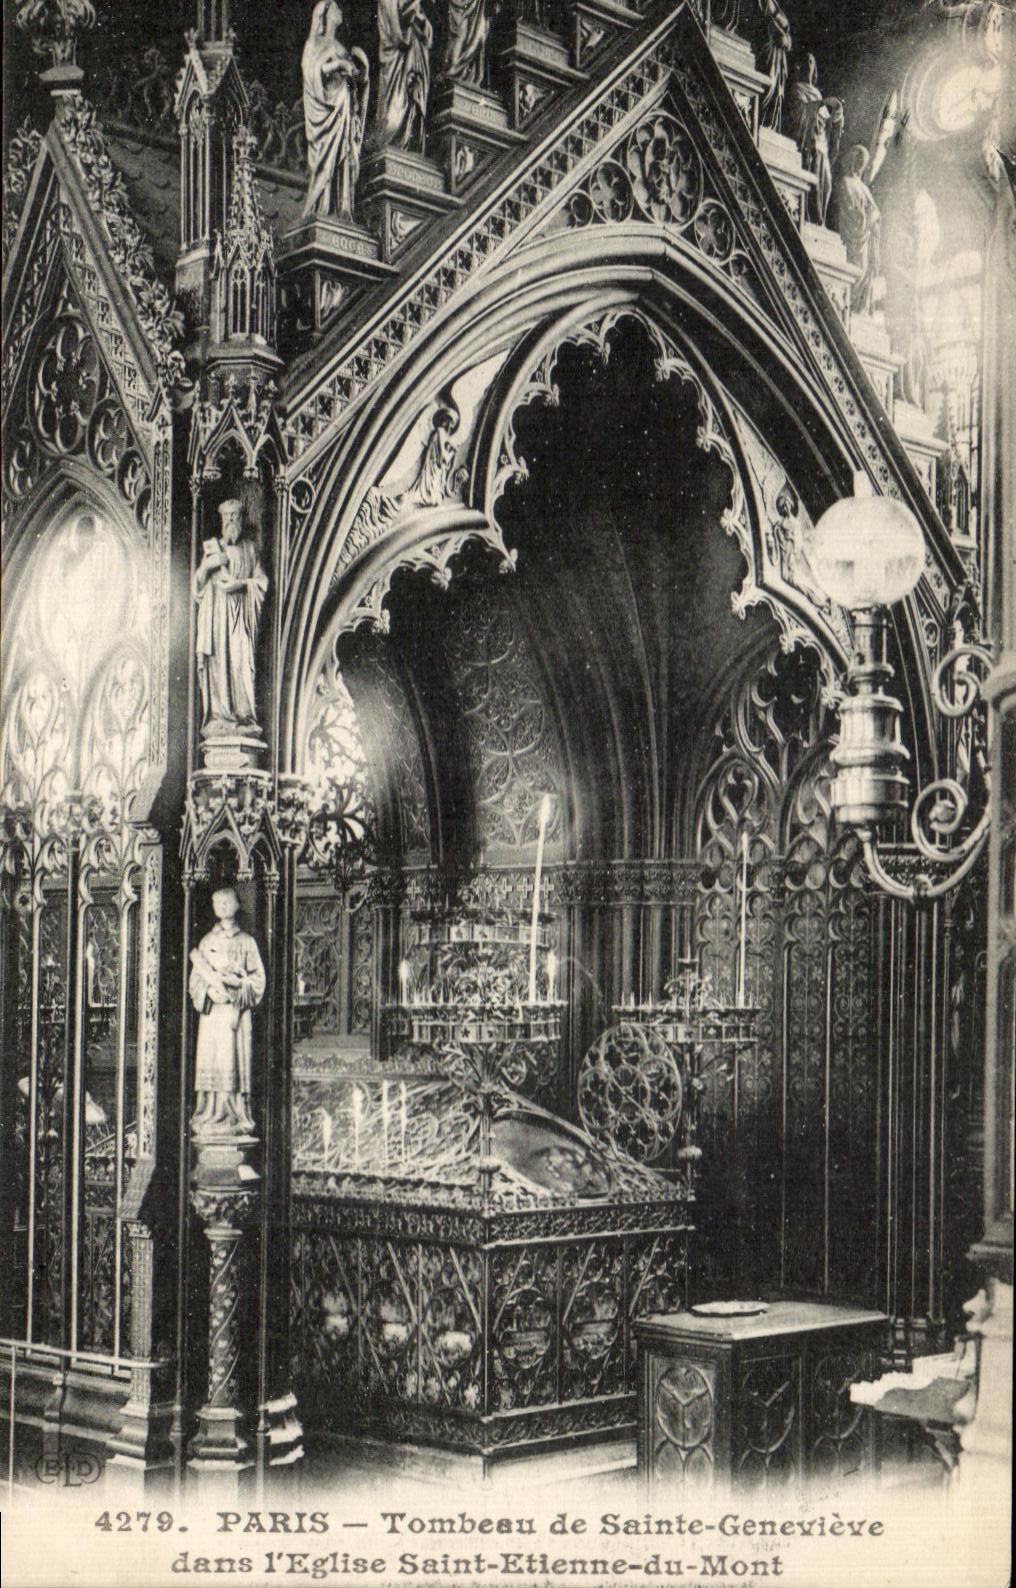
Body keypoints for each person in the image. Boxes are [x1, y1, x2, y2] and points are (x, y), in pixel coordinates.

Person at [190, 888, 266, 1134]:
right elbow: (194, 981)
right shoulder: (207, 941)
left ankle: (235, 1113)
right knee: (212, 1059)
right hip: (212, 1015)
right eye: (217, 901)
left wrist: (239, 986)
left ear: (236, 904)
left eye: (226, 901)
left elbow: (258, 980)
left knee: (232, 1059)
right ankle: (209, 1111)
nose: (221, 905)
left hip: (235, 1014)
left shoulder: (246, 942)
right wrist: (208, 991)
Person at [193, 499, 268, 735]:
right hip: (215, 620)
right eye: (227, 517)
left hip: (240, 619)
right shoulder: (213, 551)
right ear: (222, 520)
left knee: (240, 664)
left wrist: (240, 585)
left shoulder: (249, 549)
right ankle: (219, 716)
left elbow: (262, 583)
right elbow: (196, 588)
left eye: (235, 517)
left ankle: (244, 718)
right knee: (218, 666)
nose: (231, 522)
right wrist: (207, 567)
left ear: (242, 520)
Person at [301, 0, 371, 221]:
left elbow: (356, 77)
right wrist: (340, 66)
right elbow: (314, 72)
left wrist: (362, 72)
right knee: (326, 158)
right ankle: (321, 207)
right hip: (327, 109)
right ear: (326, 14)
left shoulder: (341, 47)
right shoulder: (315, 42)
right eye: (336, 8)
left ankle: (343, 207)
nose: (340, 11)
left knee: (345, 155)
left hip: (345, 106)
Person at [788, 54, 843, 225]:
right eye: (804, 61)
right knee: (815, 181)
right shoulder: (797, 88)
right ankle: (815, 218)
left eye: (811, 61)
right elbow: (799, 112)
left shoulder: (817, 93)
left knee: (826, 183)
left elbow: (824, 118)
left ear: (815, 67)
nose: (808, 65)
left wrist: (836, 114)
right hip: (808, 141)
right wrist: (821, 105)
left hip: (821, 141)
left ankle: (820, 217)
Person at [830, 145, 883, 314]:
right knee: (855, 271)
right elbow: (849, 213)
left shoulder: (862, 187)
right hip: (854, 237)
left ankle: (854, 309)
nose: (860, 165)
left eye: (863, 162)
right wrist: (868, 220)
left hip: (865, 239)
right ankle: (847, 308)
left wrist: (871, 219)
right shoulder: (845, 183)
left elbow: (875, 212)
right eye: (858, 160)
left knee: (863, 272)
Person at [375, 0, 432, 153]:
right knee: (396, 103)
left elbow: (426, 31)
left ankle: (407, 142)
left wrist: (421, 21)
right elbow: (397, 33)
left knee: (413, 100)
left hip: (415, 56)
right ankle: (391, 142)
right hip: (398, 60)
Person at [444, 0, 488, 88]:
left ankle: (465, 74)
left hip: (475, 10)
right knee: (459, 39)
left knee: (477, 39)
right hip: (459, 11)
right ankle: (453, 71)